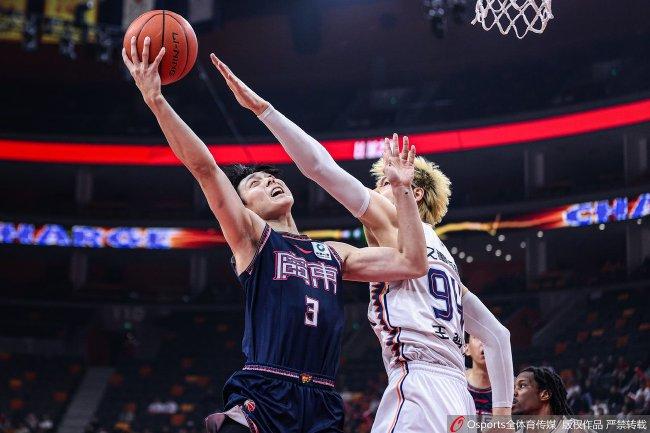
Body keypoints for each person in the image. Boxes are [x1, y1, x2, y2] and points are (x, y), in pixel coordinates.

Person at [122, 37, 428, 433]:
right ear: (242, 205)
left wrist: (402, 189)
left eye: (272, 178)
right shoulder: (252, 237)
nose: (269, 182)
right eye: (256, 184)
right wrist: (156, 101)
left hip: (322, 399)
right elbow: (205, 168)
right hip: (264, 391)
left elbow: (412, 262)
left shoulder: (333, 253)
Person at [212, 55, 514, 432]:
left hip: (419, 385)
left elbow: (320, 168)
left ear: (414, 192)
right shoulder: (449, 268)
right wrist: (502, 417)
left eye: (382, 183)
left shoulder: (391, 219)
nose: (375, 189)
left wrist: (265, 111)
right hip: (459, 395)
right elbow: (499, 336)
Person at [465, 334, 494, 417]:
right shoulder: (456, 382)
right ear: (466, 348)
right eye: (477, 337)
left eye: (489, 337)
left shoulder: (511, 387)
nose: (484, 342)